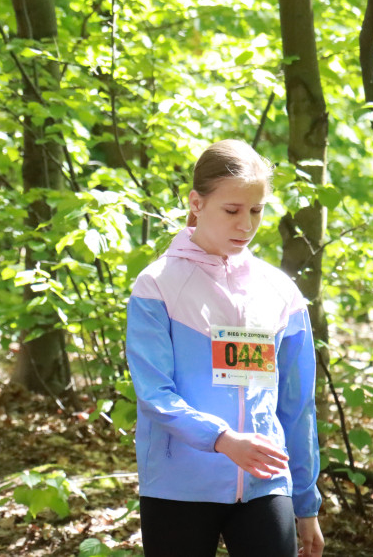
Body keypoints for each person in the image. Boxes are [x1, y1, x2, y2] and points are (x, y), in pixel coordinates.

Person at [126, 139, 324, 557]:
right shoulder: (156, 285)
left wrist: (306, 503)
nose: (246, 225)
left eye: (256, 211)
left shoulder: (280, 291)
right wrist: (223, 439)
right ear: (196, 203)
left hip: (264, 482)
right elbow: (154, 395)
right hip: (178, 486)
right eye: (232, 210)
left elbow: (297, 405)